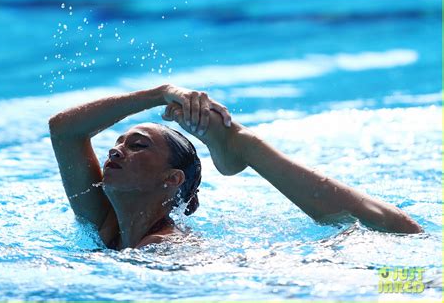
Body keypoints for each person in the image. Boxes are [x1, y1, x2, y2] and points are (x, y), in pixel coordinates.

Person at [49, 84, 423, 250]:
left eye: (137, 146)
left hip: (318, 274)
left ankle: (243, 145)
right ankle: (241, 147)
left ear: (171, 179)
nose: (115, 152)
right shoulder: (106, 223)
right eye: (117, 143)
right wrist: (159, 93)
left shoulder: (165, 251)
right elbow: (63, 131)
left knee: (402, 255)